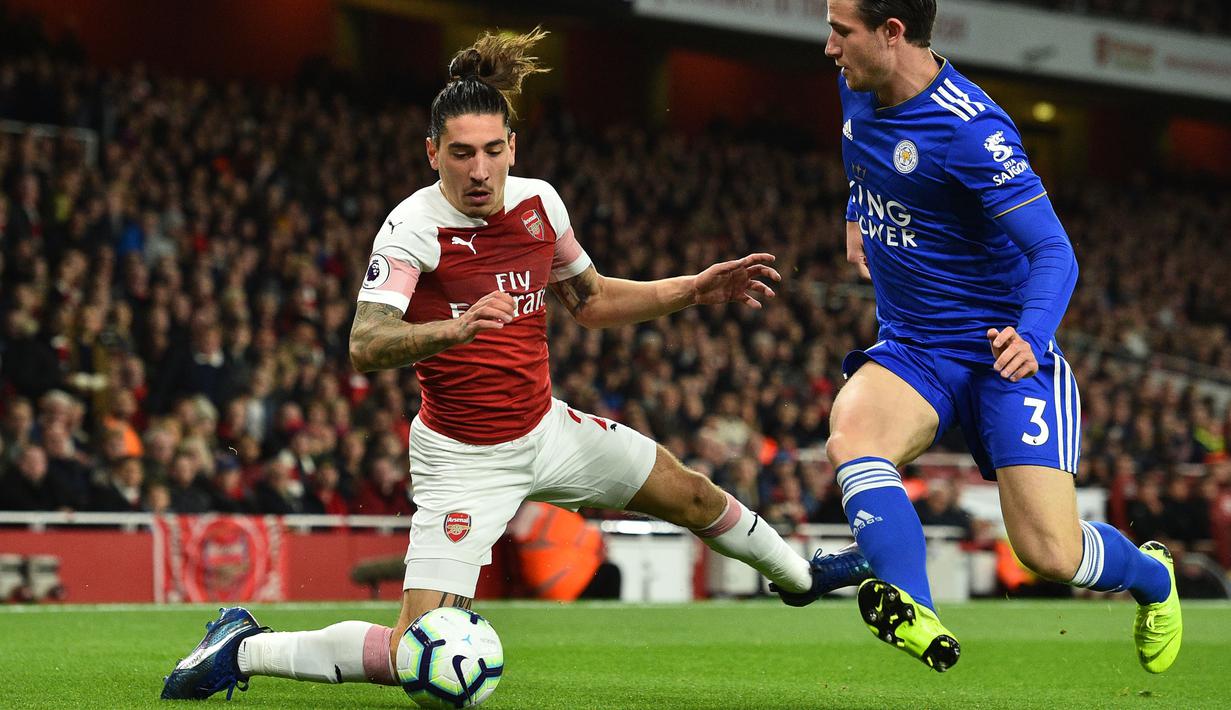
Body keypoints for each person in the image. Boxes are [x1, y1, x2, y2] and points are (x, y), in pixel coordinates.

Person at [160, 28, 869, 701]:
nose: (479, 170)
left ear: (512, 146)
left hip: (546, 430)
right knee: (414, 652)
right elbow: (364, 343)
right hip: (462, 459)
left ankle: (798, 576)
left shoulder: (538, 203)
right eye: (461, 154)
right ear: (430, 153)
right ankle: (242, 647)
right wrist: (454, 327)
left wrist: (692, 288)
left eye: (492, 151)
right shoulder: (414, 228)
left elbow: (588, 301)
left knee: (684, 490)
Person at [819, 0, 1180, 674]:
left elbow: (1054, 252)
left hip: (1002, 357)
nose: (829, 47)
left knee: (1050, 554)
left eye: (841, 31)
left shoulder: (972, 132)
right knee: (853, 436)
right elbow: (866, 156)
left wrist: (1032, 335)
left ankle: (1152, 577)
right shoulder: (857, 85)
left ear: (891, 33)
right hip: (915, 348)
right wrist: (854, 211)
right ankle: (911, 607)